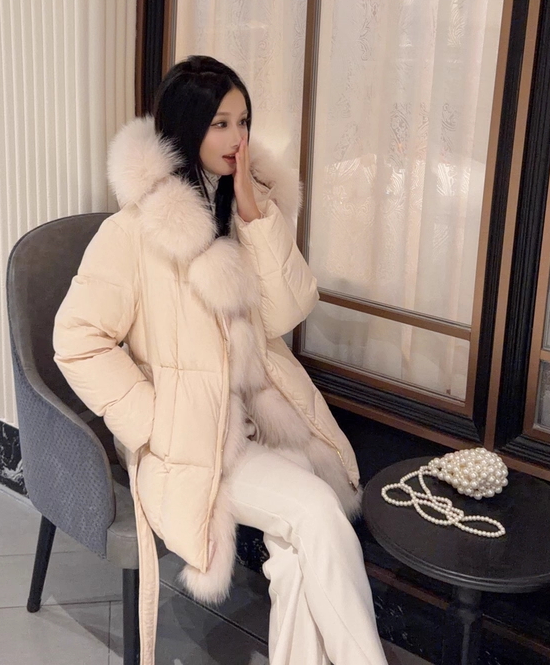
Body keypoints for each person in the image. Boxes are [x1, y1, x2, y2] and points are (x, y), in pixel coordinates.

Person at [53, 55, 388, 665]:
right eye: (221, 124)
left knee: (298, 557)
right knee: (316, 513)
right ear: (187, 128)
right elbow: (76, 338)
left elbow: (286, 312)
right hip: (192, 442)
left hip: (262, 420)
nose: (238, 139)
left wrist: (257, 218)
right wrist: (155, 420)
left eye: (244, 122)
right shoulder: (133, 232)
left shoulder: (243, 207)